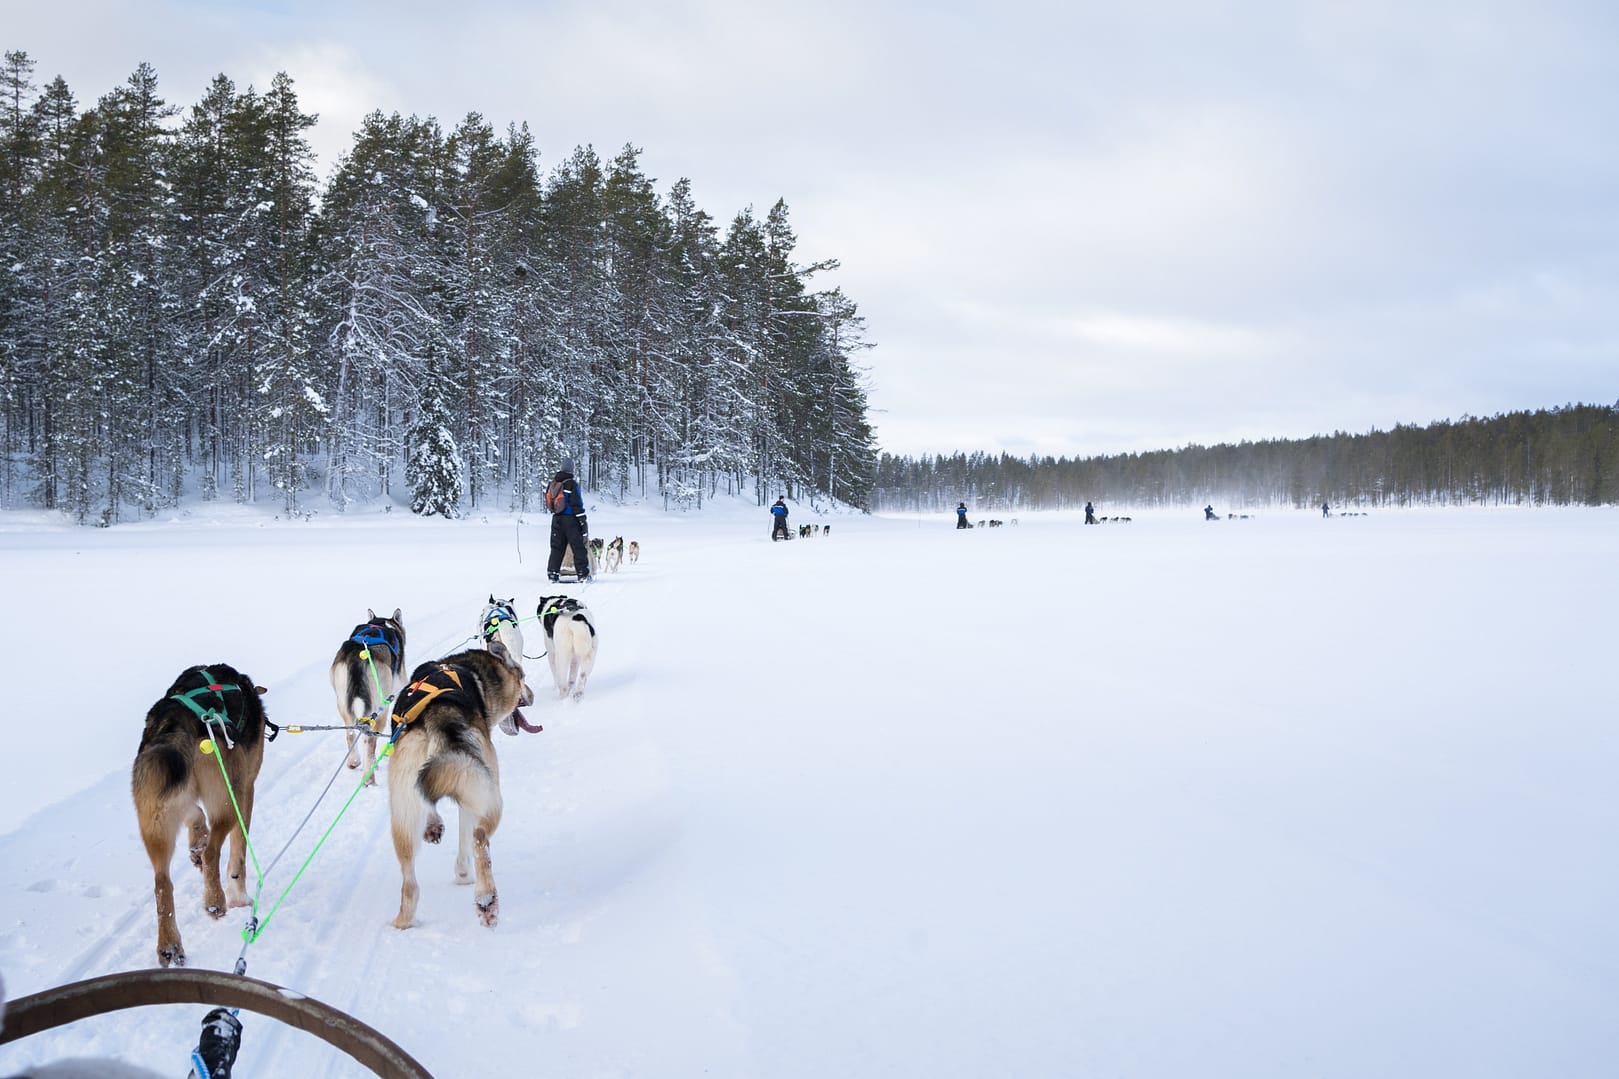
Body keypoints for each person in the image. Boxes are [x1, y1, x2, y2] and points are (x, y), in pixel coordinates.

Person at [546, 457, 591, 582]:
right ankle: (583, 574)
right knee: (578, 547)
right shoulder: (571, 484)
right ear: (571, 469)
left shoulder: (553, 483)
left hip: (556, 519)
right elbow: (577, 504)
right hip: (571, 520)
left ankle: (552, 574)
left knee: (556, 548)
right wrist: (582, 520)